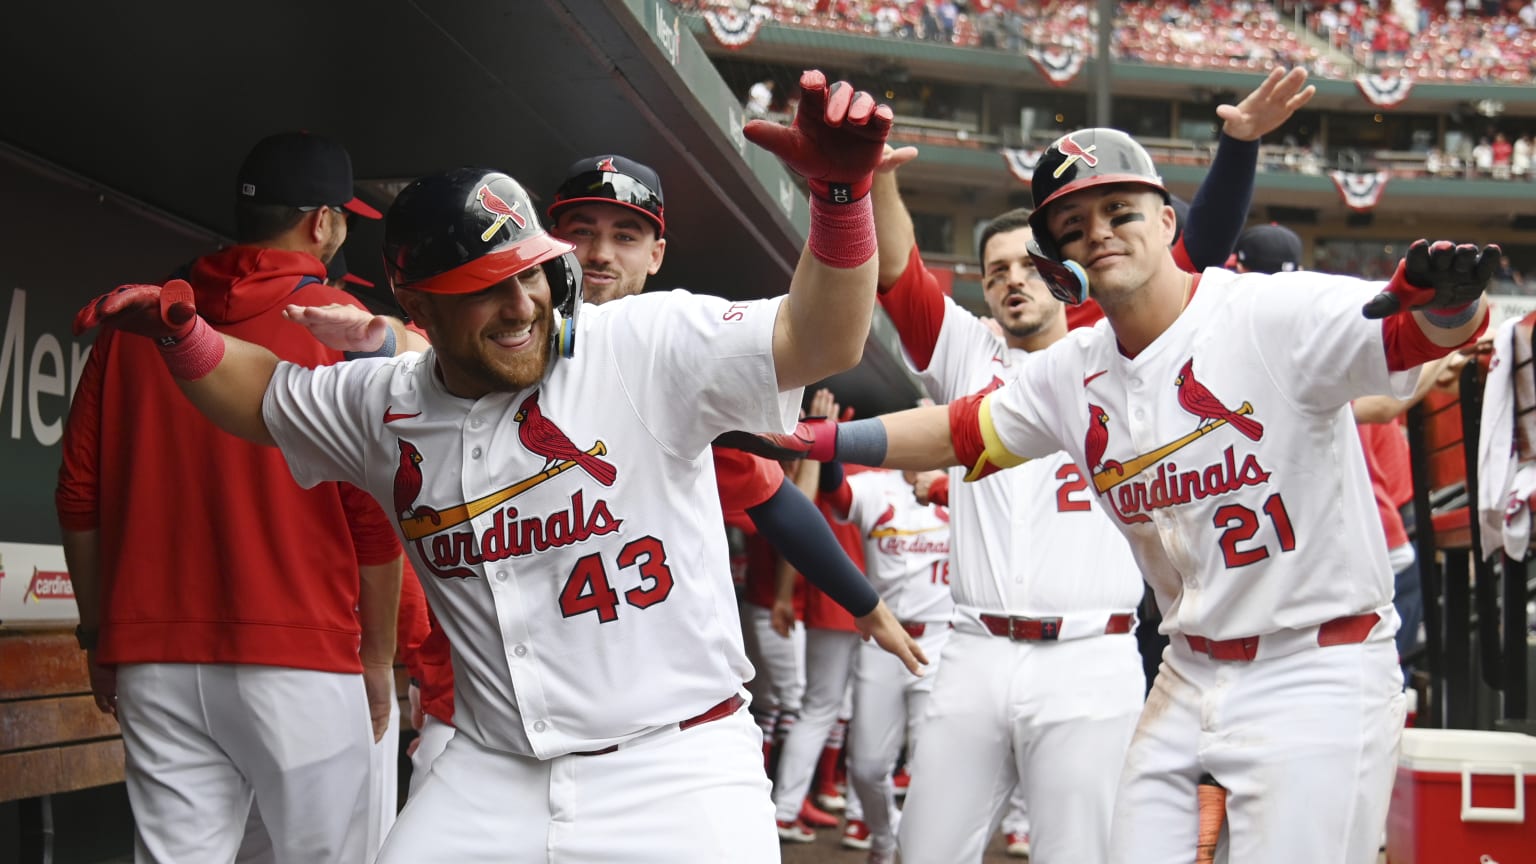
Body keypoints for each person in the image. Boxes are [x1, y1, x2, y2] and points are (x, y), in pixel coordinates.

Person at [73, 70, 922, 863]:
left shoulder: (642, 344)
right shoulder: (385, 403)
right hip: (494, 769)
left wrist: (840, 199)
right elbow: (261, 395)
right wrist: (187, 338)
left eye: (531, 274)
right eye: (484, 286)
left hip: (678, 762)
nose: (523, 307)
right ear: (416, 306)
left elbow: (820, 338)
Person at [725, 127, 1495, 863]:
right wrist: (814, 442)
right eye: (1071, 225)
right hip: (1186, 669)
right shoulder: (1074, 369)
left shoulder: (1265, 312)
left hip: (1314, 661)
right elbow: (962, 430)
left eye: (1119, 212)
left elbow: (1407, 337)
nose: (1097, 232)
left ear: (1167, 222)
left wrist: (1451, 306)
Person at [833, 68, 1306, 864]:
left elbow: (1197, 244)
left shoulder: (1113, 343)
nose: (1012, 280)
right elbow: (894, 270)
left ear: (1063, 270)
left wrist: (1239, 147)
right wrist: (876, 178)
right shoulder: (967, 350)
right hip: (974, 649)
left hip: (1092, 654)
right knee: (925, 851)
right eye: (995, 273)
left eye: (1027, 264)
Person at [55, 131, 404, 864]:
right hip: (303, 657)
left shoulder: (140, 323)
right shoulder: (345, 330)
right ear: (322, 224)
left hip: (155, 657)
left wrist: (99, 634)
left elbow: (80, 494)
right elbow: (374, 520)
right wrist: (378, 657)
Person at [820, 451, 955, 864]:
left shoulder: (961, 486)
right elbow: (838, 496)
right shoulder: (878, 486)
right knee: (865, 766)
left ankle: (918, 851)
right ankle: (885, 834)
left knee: (930, 766)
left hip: (940, 640)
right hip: (884, 640)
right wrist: (827, 448)